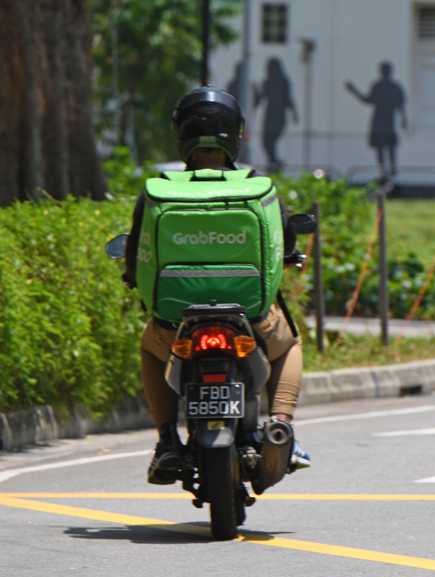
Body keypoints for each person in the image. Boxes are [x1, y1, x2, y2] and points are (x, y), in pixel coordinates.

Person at [123, 86, 310, 485]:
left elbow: (136, 251)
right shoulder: (258, 188)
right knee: (289, 343)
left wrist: (131, 276)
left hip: (176, 323)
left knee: (150, 346)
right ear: (235, 135)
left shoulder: (159, 190)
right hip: (252, 320)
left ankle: (167, 440)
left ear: (181, 135)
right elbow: (285, 241)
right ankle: (281, 426)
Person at [345, 61, 407, 181]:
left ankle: (392, 170)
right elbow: (368, 100)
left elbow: (401, 104)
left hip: (388, 120)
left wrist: (404, 119)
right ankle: (384, 172)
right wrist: (354, 91)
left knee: (390, 146)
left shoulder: (394, 87)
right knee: (380, 147)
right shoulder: (378, 86)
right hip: (379, 120)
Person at [254, 58, 298, 171]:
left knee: (270, 141)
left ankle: (274, 163)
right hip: (270, 115)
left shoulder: (283, 81)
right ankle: (274, 162)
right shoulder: (267, 82)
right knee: (266, 142)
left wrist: (294, 113)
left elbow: (288, 98)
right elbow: (260, 99)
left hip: (278, 115)